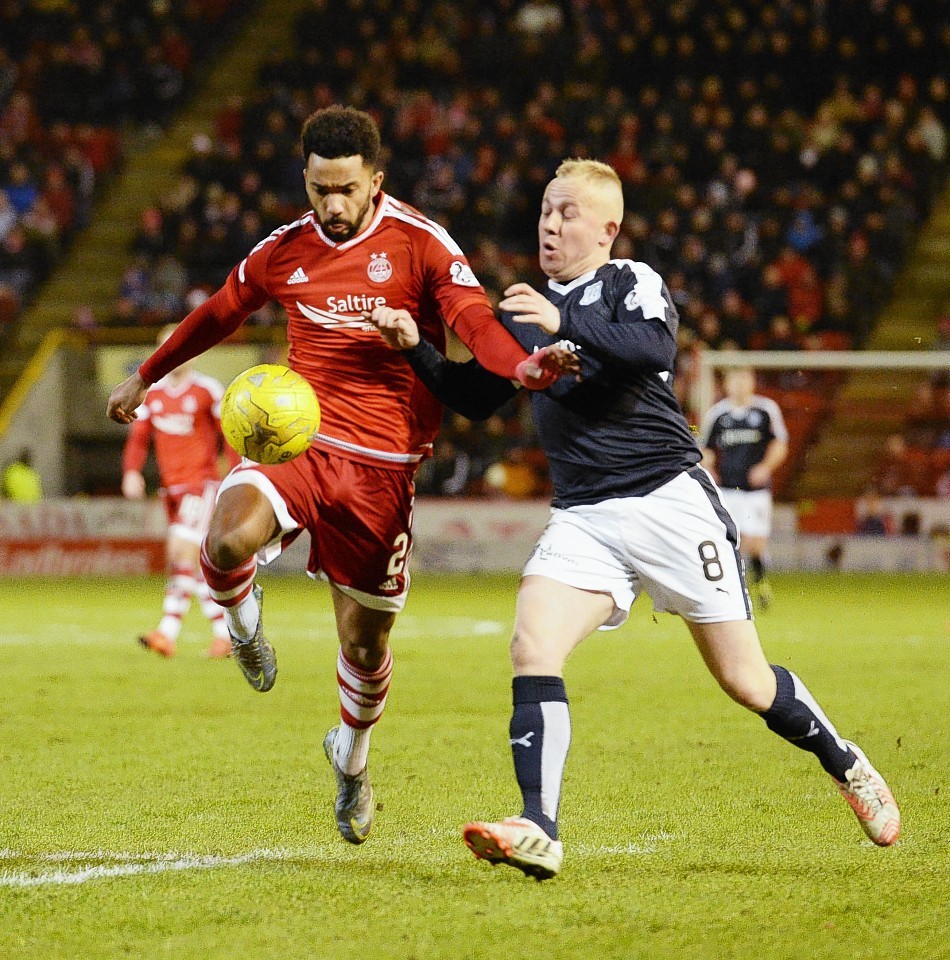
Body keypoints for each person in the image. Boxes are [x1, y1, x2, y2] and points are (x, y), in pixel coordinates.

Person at [371, 159, 900, 880]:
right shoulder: (524, 312)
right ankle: (539, 826)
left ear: (608, 229)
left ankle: (846, 764)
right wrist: (416, 349)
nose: (550, 225)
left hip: (667, 502)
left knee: (747, 682)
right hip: (585, 515)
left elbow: (652, 349)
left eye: (568, 214)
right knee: (533, 645)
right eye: (546, 210)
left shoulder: (628, 281)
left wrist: (567, 322)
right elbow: (476, 395)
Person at [107, 106, 558, 846]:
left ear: (376, 180)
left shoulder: (420, 245)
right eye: (320, 189)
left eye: (347, 189)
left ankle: (351, 757)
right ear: (306, 180)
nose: (333, 206)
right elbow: (221, 309)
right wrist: (147, 376)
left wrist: (521, 365)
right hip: (299, 442)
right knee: (224, 541)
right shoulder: (287, 248)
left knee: (365, 646)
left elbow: (474, 322)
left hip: (384, 469)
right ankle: (243, 625)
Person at [121, 324, 237, 659]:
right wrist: (131, 472)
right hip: (170, 488)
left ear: (192, 352)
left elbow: (228, 435)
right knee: (194, 567)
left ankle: (166, 633)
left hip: (200, 485)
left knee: (179, 554)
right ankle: (224, 635)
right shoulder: (152, 395)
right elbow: (138, 438)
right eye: (165, 348)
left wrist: (235, 473)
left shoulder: (207, 391)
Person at [698, 367, 789, 609]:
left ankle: (759, 583)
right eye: (735, 380)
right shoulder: (717, 414)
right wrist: (709, 467)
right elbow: (703, 447)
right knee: (730, 540)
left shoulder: (766, 409)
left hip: (756, 491)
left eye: (744, 379)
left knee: (756, 543)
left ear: (751, 383)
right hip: (727, 489)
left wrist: (766, 467)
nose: (740, 384)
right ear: (727, 385)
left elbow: (780, 443)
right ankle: (734, 589)